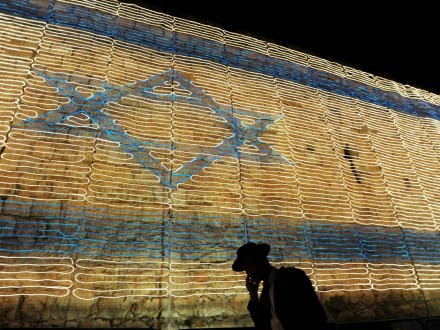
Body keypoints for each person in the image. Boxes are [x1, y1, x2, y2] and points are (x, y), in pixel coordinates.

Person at [232, 242, 328, 330]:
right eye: (245, 269)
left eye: (248, 266)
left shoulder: (291, 277)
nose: (248, 273)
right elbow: (261, 324)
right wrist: (253, 295)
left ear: (259, 259)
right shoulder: (265, 293)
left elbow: (316, 316)